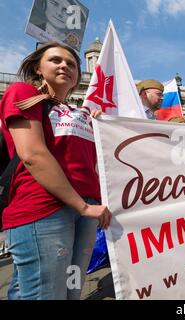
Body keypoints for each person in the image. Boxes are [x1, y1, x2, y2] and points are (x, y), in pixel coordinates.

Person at [0, 42, 112, 300]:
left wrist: (100, 124)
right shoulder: (23, 93)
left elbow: (93, 163)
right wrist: (83, 207)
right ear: (38, 68)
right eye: (55, 60)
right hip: (44, 210)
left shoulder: (79, 113)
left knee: (71, 291)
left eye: (71, 64)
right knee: (46, 294)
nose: (64, 66)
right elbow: (33, 155)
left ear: (77, 77)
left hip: (86, 212)